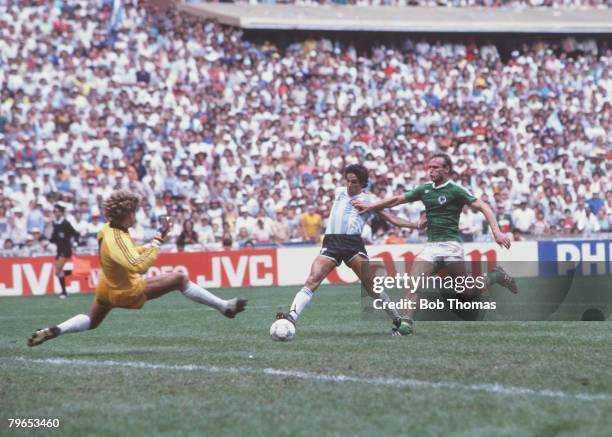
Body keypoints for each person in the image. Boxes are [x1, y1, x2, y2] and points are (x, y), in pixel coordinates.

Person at [28, 190, 247, 347]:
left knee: (91, 320)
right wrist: (158, 241)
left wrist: (153, 241)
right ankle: (224, 307)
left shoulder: (108, 229)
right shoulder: (118, 239)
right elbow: (139, 266)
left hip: (106, 286)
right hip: (126, 290)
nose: (135, 215)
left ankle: (57, 329)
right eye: (133, 212)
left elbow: (127, 253)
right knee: (180, 278)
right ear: (125, 214)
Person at [353, 154, 517, 335]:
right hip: (431, 248)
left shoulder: (456, 190)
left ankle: (496, 276)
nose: (430, 171)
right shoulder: (425, 190)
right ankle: (406, 324)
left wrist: (497, 231)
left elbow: (484, 207)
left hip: (451, 246)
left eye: (435, 167)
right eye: (429, 167)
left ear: (446, 169)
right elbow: (397, 199)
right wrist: (372, 206)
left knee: (467, 293)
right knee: (413, 283)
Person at [275, 164, 425, 337]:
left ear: (363, 184)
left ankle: (399, 321)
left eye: (354, 182)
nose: (349, 184)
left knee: (372, 288)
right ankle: (291, 317)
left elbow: (391, 218)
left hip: (352, 244)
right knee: (312, 279)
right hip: (331, 242)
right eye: (348, 180)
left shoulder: (369, 200)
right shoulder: (339, 192)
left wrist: (415, 225)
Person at [50, 204, 80, 299]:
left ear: (62, 212)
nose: (56, 213)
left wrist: (75, 243)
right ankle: (75, 272)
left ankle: (64, 292)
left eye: (58, 211)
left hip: (66, 249)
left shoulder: (65, 223)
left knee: (58, 268)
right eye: (55, 211)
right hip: (59, 249)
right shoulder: (54, 223)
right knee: (58, 272)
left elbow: (75, 233)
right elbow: (55, 237)